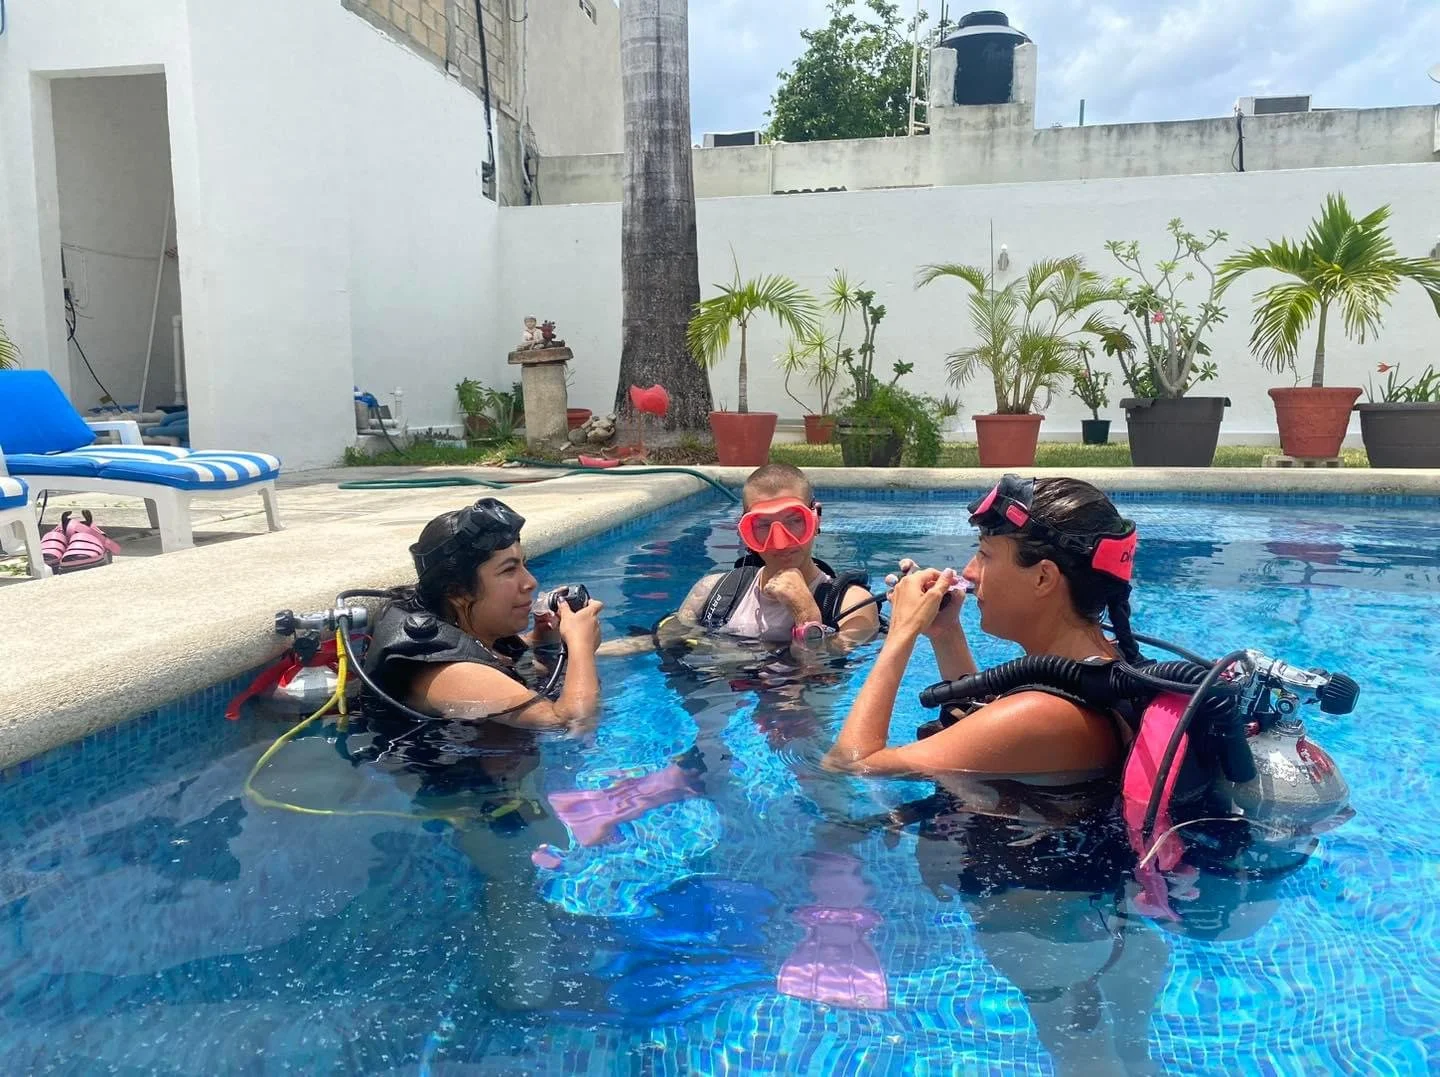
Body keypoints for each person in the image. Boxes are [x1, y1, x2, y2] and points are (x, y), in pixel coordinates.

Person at [826, 474, 1139, 777]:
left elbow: (849, 765)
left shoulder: (1040, 715)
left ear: (1043, 578)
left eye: (985, 555)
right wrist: (945, 633)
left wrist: (901, 632)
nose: (969, 572)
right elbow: (979, 729)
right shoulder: (1106, 667)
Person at [363, 496, 604, 731]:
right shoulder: (452, 674)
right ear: (457, 592)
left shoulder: (464, 630)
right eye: (509, 570)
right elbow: (573, 723)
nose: (530, 582)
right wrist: (581, 647)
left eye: (524, 564)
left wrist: (543, 638)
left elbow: (491, 654)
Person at [599, 464, 880, 659]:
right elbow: (662, 643)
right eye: (762, 526)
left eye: (795, 522)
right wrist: (577, 649)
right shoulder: (713, 590)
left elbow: (821, 679)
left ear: (815, 519)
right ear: (744, 533)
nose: (779, 541)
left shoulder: (851, 605)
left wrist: (806, 616)